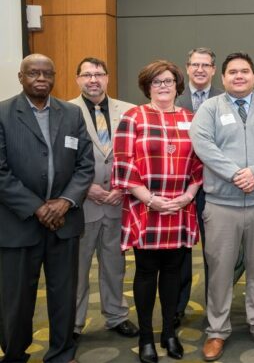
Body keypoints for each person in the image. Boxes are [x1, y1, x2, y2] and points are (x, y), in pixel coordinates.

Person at [189, 52, 254, 361]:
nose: (239, 76)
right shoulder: (209, 108)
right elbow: (202, 144)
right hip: (221, 205)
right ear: (224, 78)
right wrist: (235, 174)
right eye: (233, 72)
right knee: (219, 271)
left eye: (245, 71)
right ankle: (217, 331)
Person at [0, 54, 94, 363]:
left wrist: (65, 202)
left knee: (63, 294)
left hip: (64, 222)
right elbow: (0, 172)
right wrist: (38, 208)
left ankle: (62, 353)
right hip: (18, 223)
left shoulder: (72, 114)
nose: (41, 78)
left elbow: (85, 166)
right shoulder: (2, 114)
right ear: (21, 77)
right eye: (33, 73)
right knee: (16, 298)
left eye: (47, 73)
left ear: (54, 77)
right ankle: (14, 353)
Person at [112, 60, 203, 363]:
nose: (163, 86)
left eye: (168, 81)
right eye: (156, 82)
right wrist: (150, 199)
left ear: (178, 85)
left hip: (180, 208)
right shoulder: (133, 117)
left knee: (174, 273)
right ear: (147, 86)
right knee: (147, 273)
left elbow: (199, 164)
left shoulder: (192, 118)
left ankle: (169, 332)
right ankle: (146, 336)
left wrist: (189, 195)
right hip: (145, 209)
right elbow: (123, 165)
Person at [69, 57, 138, 340]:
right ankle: (72, 323)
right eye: (87, 74)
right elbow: (60, 160)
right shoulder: (65, 111)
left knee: (115, 265)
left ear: (108, 77)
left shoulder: (130, 111)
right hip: (80, 204)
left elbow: (137, 154)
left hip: (117, 202)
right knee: (77, 268)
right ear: (78, 79)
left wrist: (124, 187)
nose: (93, 80)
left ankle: (116, 315)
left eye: (98, 74)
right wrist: (86, 188)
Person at [174, 47, 224, 328]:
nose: (201, 69)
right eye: (195, 64)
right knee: (180, 252)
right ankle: (178, 307)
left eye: (206, 65)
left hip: (213, 186)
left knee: (214, 252)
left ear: (214, 70)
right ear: (187, 68)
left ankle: (215, 311)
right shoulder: (173, 99)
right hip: (179, 189)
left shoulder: (225, 99)